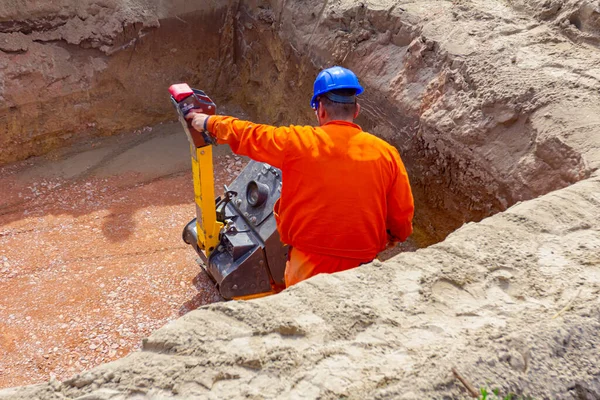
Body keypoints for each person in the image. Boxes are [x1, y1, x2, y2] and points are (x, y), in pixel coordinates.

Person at [187, 66, 414, 287]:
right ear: (356, 110)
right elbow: (402, 217)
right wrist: (388, 239)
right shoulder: (386, 153)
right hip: (362, 263)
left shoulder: (297, 142)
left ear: (321, 110)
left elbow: (249, 134)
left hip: (308, 265)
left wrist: (207, 122)